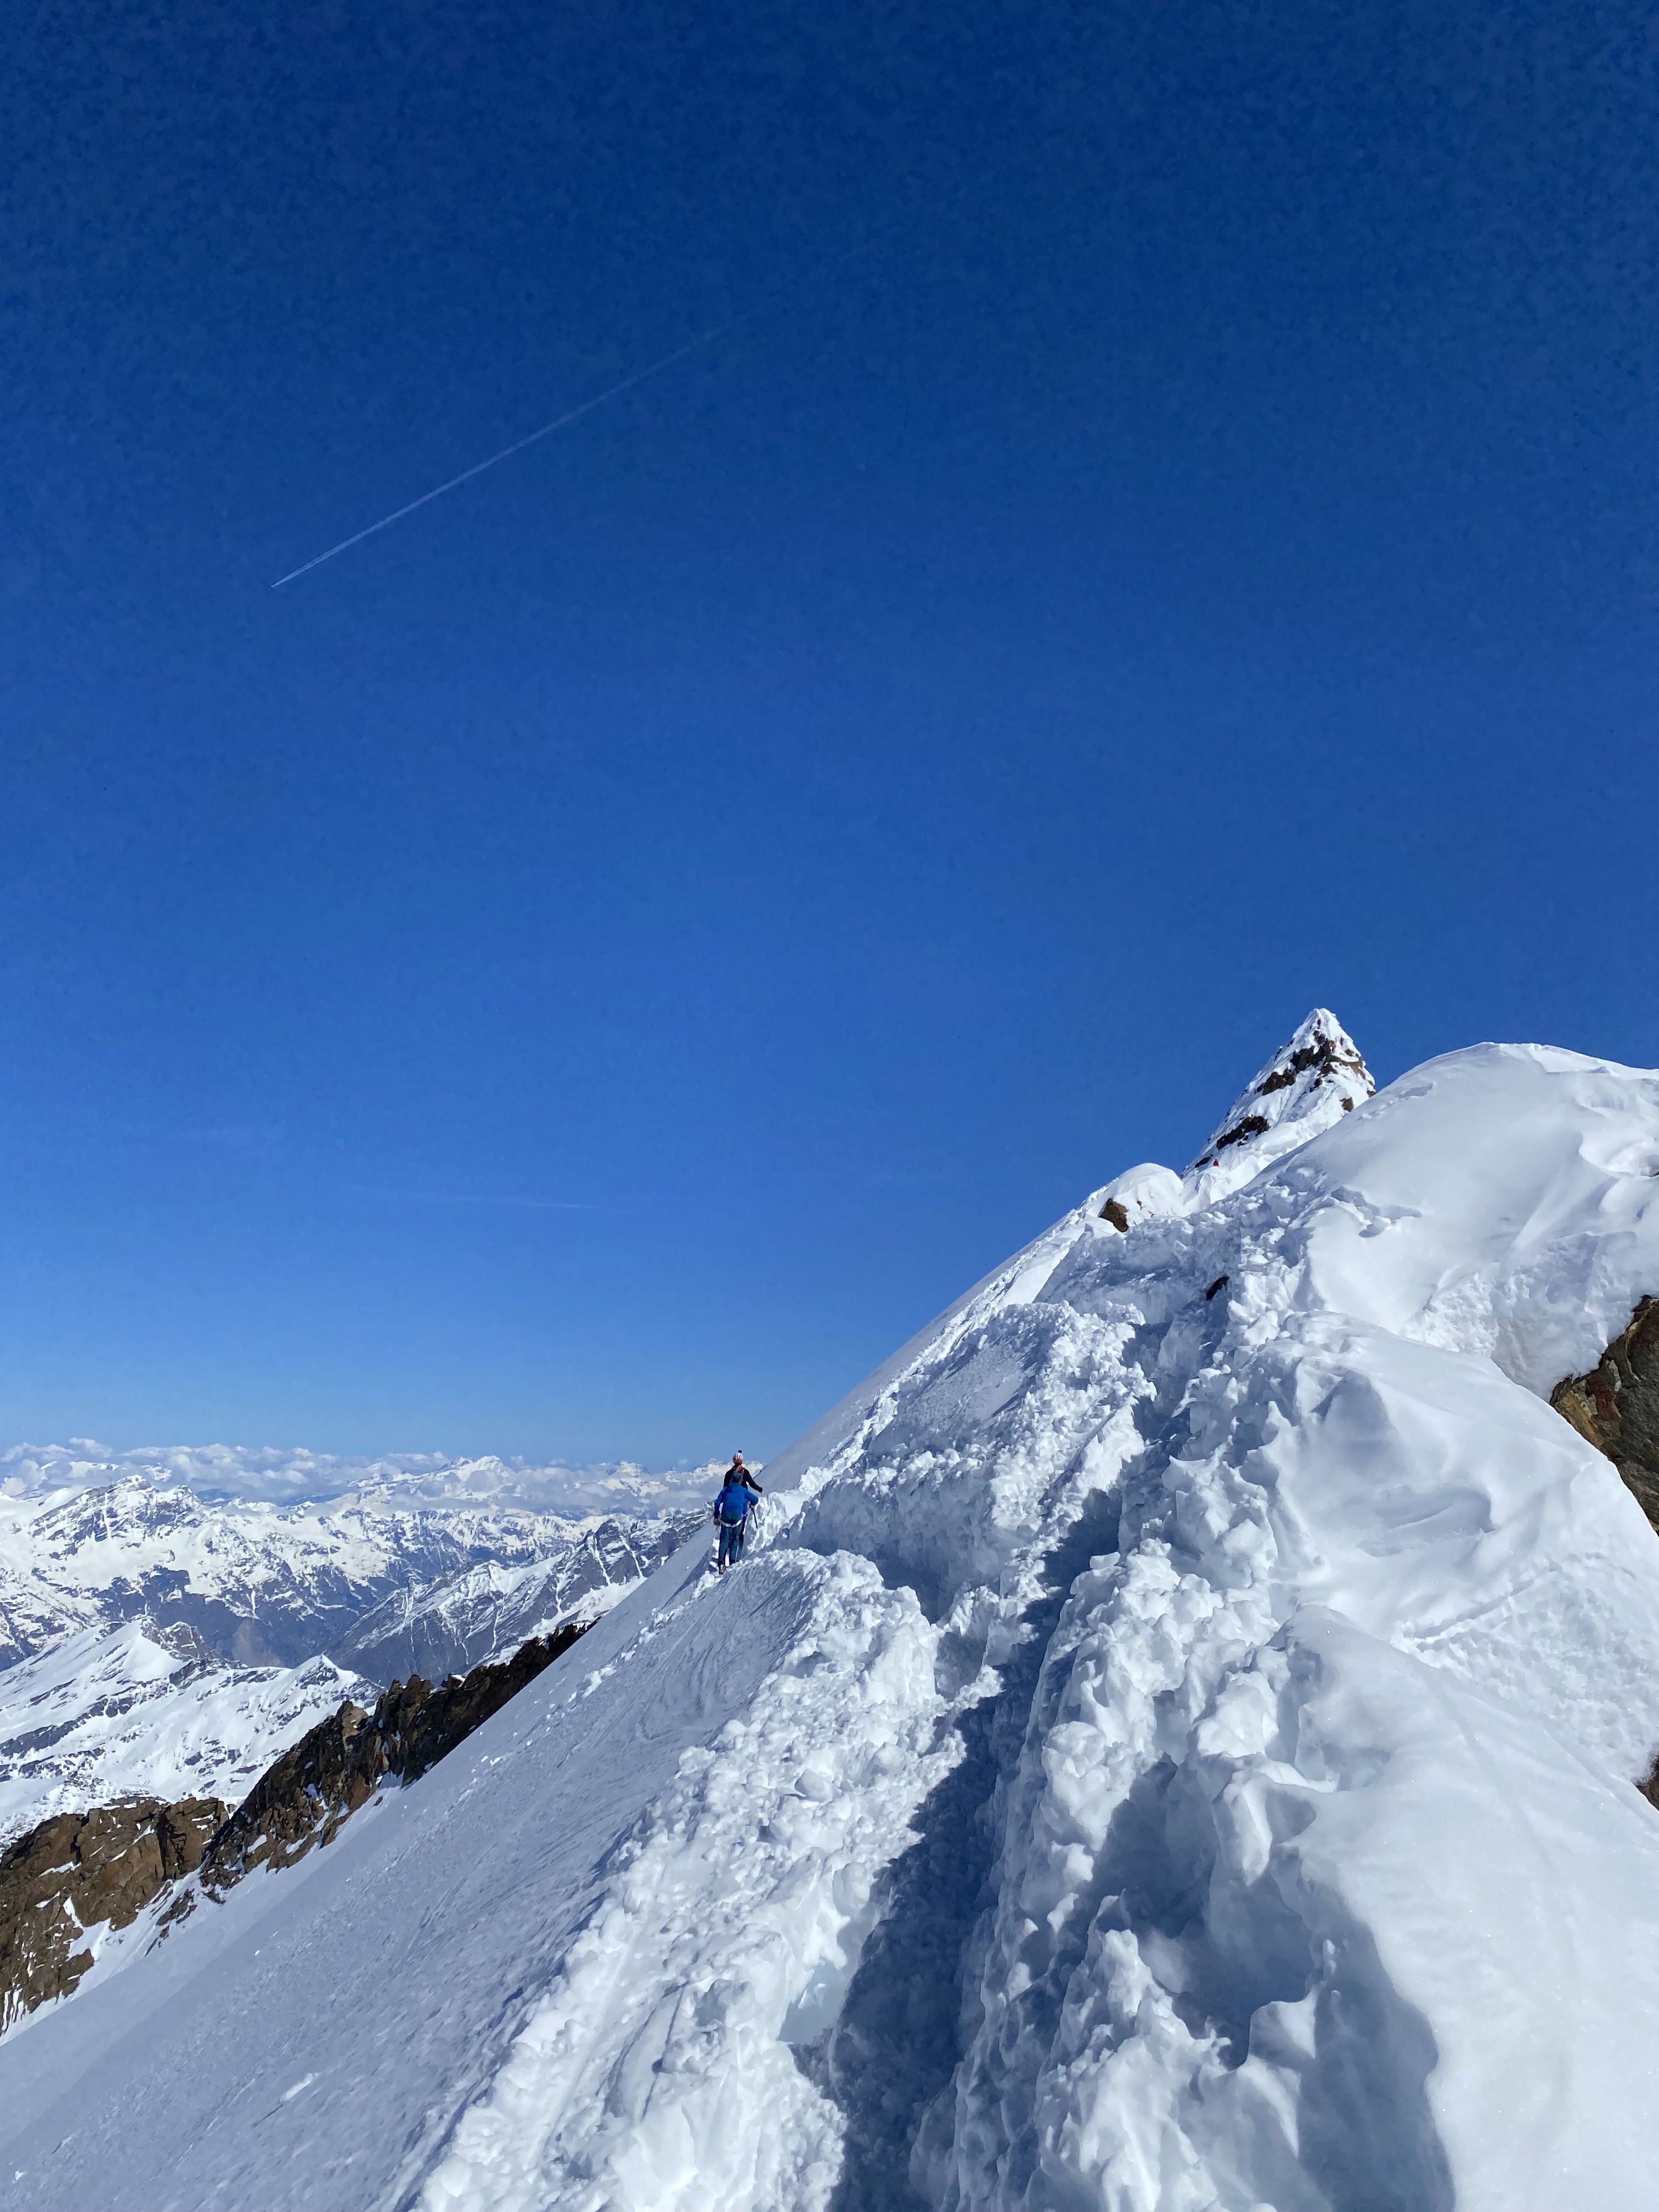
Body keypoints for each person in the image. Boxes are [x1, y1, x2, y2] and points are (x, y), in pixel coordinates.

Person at [713, 1453, 764, 1573]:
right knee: (736, 1538)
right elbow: (755, 1498)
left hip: (725, 1514)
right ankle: (733, 1562)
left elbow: (717, 1502)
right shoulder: (743, 1486)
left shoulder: (726, 1486)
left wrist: (716, 1515)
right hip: (738, 1514)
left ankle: (721, 1564)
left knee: (724, 1540)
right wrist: (758, 1490)